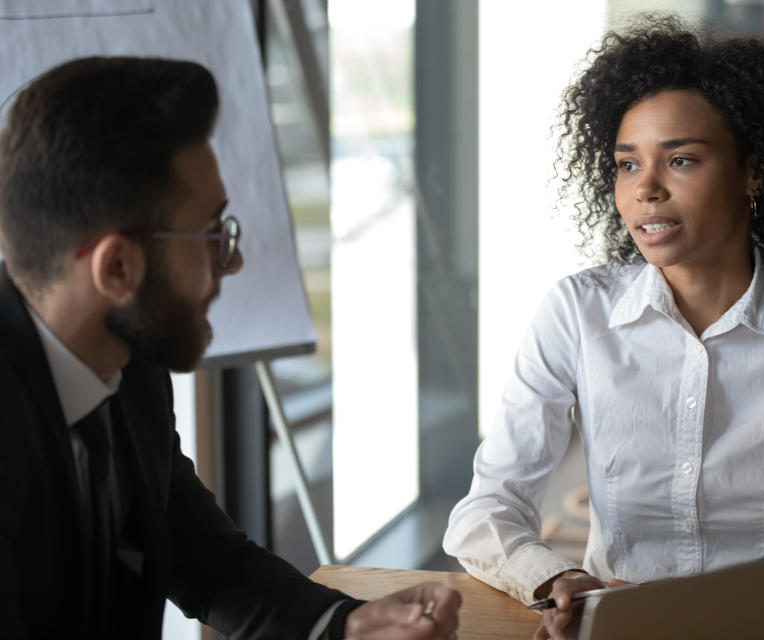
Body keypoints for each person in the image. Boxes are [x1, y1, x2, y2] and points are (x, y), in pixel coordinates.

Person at [442, 15, 764, 640]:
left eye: (680, 159)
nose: (645, 189)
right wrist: (555, 578)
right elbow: (485, 511)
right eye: (627, 165)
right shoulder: (576, 311)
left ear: (753, 171)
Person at [0, 56, 460, 640]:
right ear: (117, 267)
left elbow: (206, 560)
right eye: (212, 234)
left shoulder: (127, 362)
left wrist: (345, 626)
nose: (233, 260)